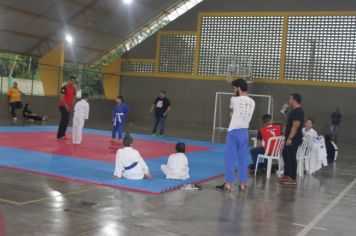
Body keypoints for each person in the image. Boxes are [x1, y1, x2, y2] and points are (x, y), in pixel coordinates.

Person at [216, 79, 255, 191]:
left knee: (230, 158)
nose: (233, 90)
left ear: (238, 88)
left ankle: (228, 184)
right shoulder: (252, 102)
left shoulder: (234, 99)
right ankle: (242, 184)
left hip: (234, 132)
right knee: (242, 159)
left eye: (234, 88)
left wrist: (232, 114)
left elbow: (232, 114)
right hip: (244, 132)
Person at [281, 93, 304, 185]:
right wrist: (284, 112)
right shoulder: (294, 110)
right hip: (290, 137)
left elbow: (295, 126)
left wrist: (290, 138)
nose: (289, 101)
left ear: (294, 100)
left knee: (291, 157)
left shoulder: (298, 111)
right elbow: (289, 121)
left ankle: (292, 178)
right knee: (285, 154)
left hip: (294, 138)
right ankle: (286, 175)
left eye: (290, 99)